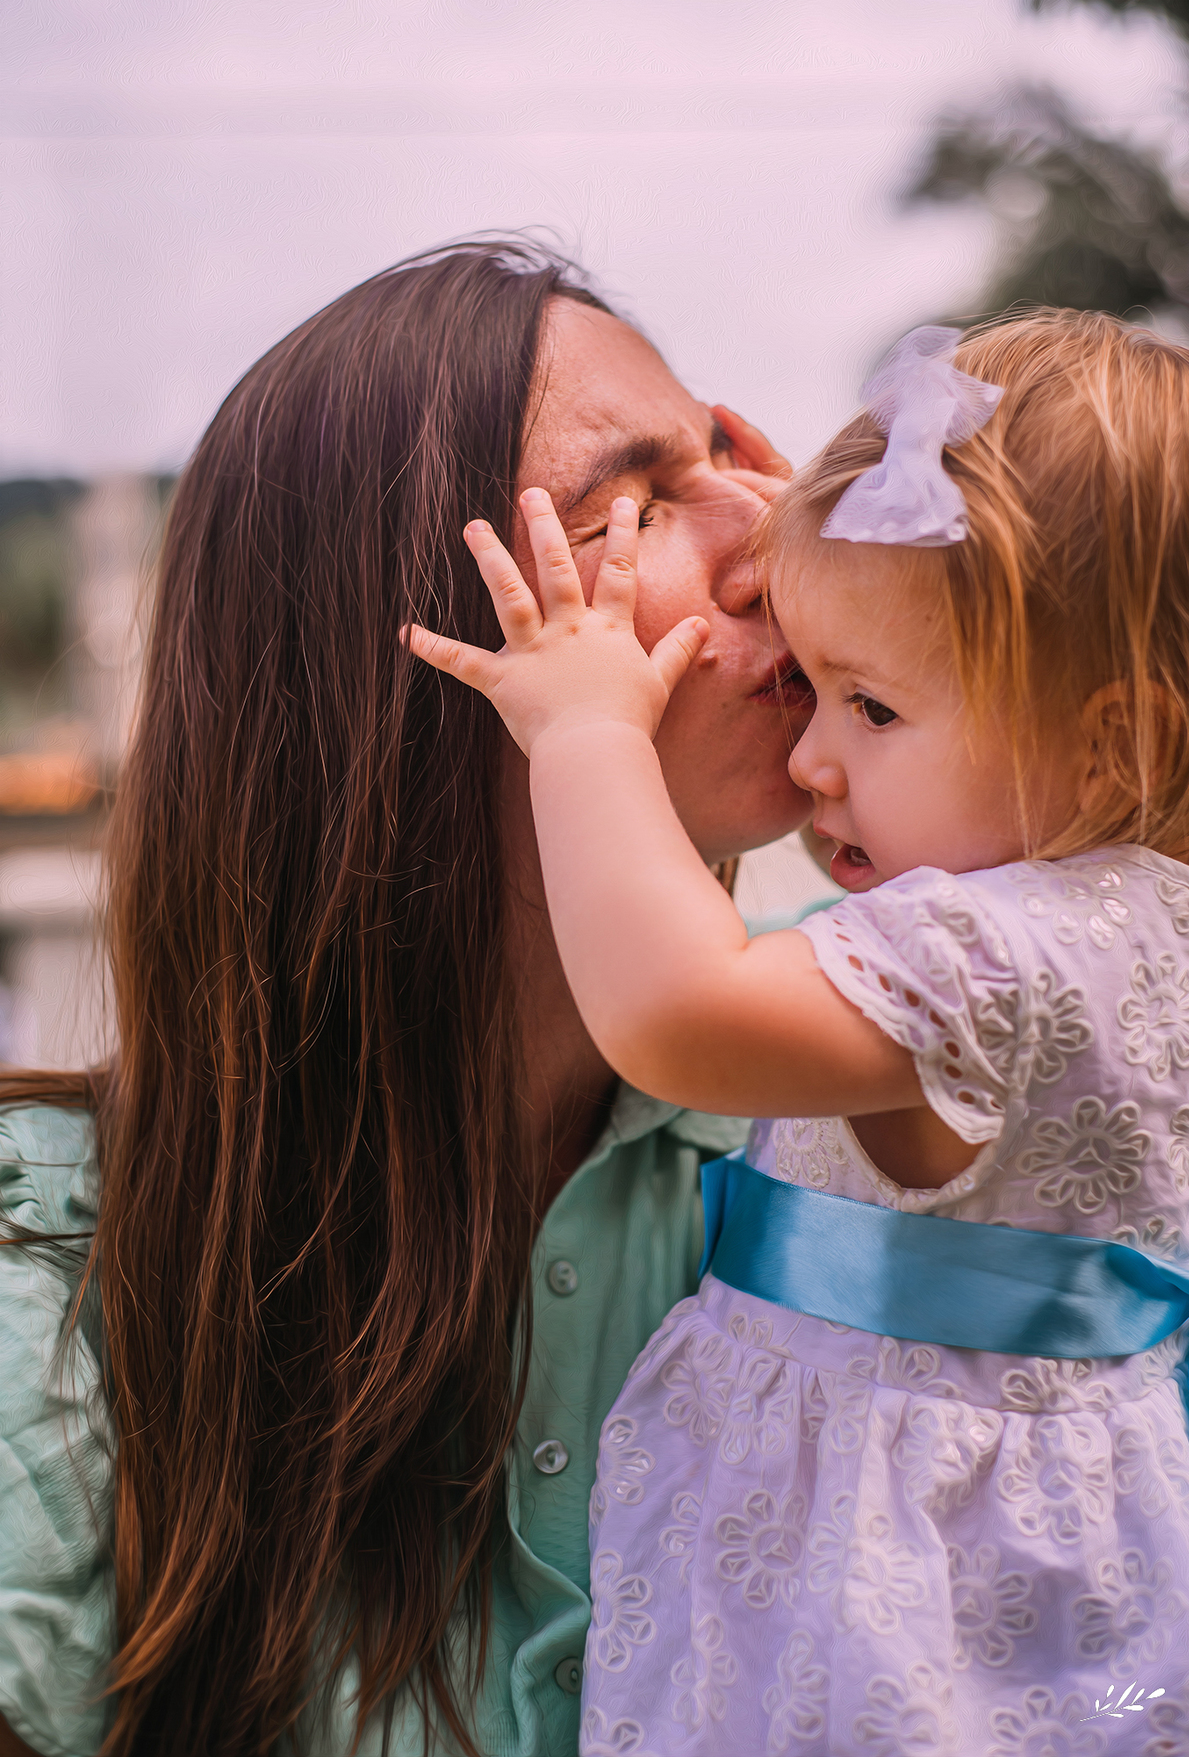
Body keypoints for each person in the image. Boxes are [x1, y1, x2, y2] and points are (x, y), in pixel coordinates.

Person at [0, 241, 820, 1757]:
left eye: (731, 462)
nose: (775, 540)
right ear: (403, 666)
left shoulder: (873, 1114)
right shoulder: (49, 1282)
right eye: (638, 507)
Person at [410, 310, 1189, 1754]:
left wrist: (586, 731)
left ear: (1113, 744)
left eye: (872, 703)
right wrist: (842, 566)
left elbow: (678, 1012)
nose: (813, 753)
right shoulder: (1133, 920)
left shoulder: (999, 948)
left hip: (907, 1610)